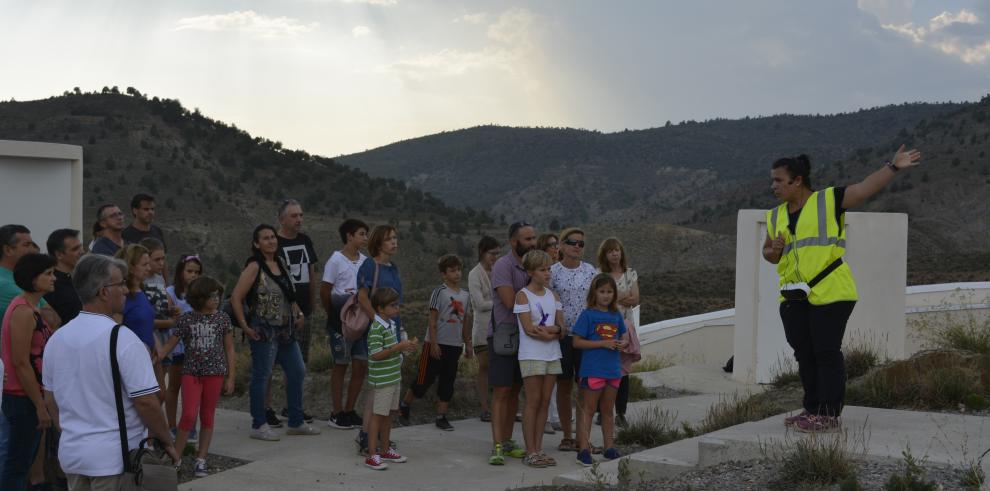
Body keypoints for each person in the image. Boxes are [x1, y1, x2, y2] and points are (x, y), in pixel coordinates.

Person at [762, 146, 922, 432]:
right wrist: (773, 251)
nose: (773, 186)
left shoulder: (828, 200)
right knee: (805, 354)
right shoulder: (776, 216)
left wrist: (893, 167)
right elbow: (769, 253)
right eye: (772, 180)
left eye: (778, 180)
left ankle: (828, 413)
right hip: (793, 296)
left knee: (825, 352)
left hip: (832, 291)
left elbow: (864, 188)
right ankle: (811, 408)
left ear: (797, 180)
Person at [42, 254, 179, 488]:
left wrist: (75, 435)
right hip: (115, 461)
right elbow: (146, 402)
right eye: (120, 284)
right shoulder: (123, 339)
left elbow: (51, 400)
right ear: (103, 291)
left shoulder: (57, 339)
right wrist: (167, 441)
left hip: (73, 456)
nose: (125, 290)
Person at [230, 224, 319, 441]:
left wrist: (298, 314)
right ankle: (258, 424)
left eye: (272, 237)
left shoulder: (281, 262)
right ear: (256, 243)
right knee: (262, 375)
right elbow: (236, 297)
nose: (271, 241)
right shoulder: (254, 266)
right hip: (264, 328)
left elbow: (290, 295)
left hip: (286, 329)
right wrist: (245, 326)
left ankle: (296, 421)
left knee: (297, 370)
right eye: (265, 238)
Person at [157, 276, 235, 478]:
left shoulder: (222, 319)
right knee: (189, 414)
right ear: (199, 298)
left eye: (217, 295)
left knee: (207, 415)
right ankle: (176, 457)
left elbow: (229, 348)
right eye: (211, 296)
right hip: (191, 372)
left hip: (215, 373)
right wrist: (155, 357)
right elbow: (170, 344)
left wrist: (231, 376)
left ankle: (201, 459)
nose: (216, 299)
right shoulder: (186, 319)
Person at [0, 225, 59, 482]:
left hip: (30, 395)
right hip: (22, 397)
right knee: (17, 465)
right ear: (34, 279)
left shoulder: (31, 309)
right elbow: (21, 362)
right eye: (48, 274)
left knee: (22, 463)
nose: (54, 278)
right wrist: (40, 404)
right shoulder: (23, 311)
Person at [400, 254, 472, 431]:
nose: (456, 274)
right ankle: (404, 405)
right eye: (452, 270)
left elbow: (465, 321)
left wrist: (467, 343)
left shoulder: (465, 295)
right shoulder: (439, 292)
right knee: (424, 379)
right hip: (435, 343)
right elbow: (432, 320)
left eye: (458, 270)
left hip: (454, 346)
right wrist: (433, 343)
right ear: (444, 274)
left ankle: (441, 416)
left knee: (448, 381)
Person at [487, 221, 536, 465]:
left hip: (527, 337)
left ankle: (507, 442)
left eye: (533, 238)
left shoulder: (533, 267)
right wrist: (534, 285)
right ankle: (496, 445)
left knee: (516, 390)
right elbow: (509, 302)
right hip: (503, 336)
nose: (532, 243)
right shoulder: (502, 266)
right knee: (502, 391)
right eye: (527, 239)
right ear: (513, 241)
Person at [355, 225, 404, 454]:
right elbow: (362, 296)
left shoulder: (393, 267)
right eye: (389, 239)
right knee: (377, 389)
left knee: (387, 388)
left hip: (393, 331)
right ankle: (367, 437)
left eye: (395, 238)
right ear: (379, 243)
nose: (394, 242)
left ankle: (378, 439)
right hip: (379, 333)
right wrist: (379, 321)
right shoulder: (369, 265)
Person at [513, 250, 563, 468]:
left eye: (549, 268)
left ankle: (539, 448)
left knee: (544, 401)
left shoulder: (554, 296)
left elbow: (563, 328)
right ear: (531, 271)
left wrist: (551, 330)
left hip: (552, 354)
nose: (548, 273)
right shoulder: (523, 295)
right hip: (531, 355)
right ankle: (530, 451)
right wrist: (552, 332)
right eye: (543, 269)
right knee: (532, 402)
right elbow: (528, 328)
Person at [549, 227, 597, 452]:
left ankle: (583, 437)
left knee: (586, 388)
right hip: (562, 337)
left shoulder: (590, 271)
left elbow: (598, 301)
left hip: (585, 337)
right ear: (561, 245)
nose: (577, 246)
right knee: (564, 386)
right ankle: (567, 435)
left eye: (581, 243)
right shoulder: (552, 272)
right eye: (572, 242)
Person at [572, 273, 627, 466]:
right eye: (602, 291)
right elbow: (577, 342)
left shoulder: (616, 315)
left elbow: (625, 335)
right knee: (588, 410)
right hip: (593, 370)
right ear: (594, 293)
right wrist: (603, 343)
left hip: (613, 371)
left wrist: (623, 343)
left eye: (609, 291)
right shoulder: (588, 315)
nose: (606, 295)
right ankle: (584, 450)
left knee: (607, 410)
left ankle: (608, 447)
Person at [321, 218, 369, 430]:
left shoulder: (365, 261)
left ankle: (350, 410)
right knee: (341, 364)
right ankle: (336, 412)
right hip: (340, 320)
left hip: (361, 320)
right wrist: (333, 313)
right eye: (361, 234)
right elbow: (325, 290)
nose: (365, 238)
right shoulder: (335, 260)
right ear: (349, 236)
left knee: (360, 364)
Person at [363, 288, 417, 470]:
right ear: (380, 309)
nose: (397, 308)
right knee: (377, 416)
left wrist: (404, 347)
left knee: (388, 415)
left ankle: (385, 450)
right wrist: (398, 348)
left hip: (394, 377)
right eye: (393, 305)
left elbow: (392, 347)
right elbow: (376, 355)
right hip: (382, 381)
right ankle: (372, 454)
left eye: (397, 304)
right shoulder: (376, 328)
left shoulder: (391, 324)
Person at [596, 237, 640, 427]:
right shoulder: (598, 274)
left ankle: (620, 412)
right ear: (604, 255)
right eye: (610, 251)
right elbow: (597, 299)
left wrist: (612, 297)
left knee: (622, 371)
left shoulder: (630, 274)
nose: (614, 253)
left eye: (617, 250)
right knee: (603, 368)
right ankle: (601, 411)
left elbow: (635, 299)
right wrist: (623, 296)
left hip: (625, 328)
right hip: (604, 327)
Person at [275, 199, 318, 365]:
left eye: (301, 215)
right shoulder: (274, 243)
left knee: (301, 361)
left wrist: (312, 304)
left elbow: (311, 273)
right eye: (294, 216)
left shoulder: (305, 240)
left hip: (305, 311)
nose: (299, 219)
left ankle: (295, 391)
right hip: (283, 313)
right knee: (282, 362)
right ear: (282, 219)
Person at [164, 254, 202, 438]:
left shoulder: (201, 295)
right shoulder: (171, 292)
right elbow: (169, 314)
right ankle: (171, 425)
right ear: (180, 272)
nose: (193, 275)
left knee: (193, 389)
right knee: (174, 387)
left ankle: (190, 427)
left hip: (196, 348)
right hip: (177, 347)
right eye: (189, 271)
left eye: (196, 272)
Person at [468, 236, 499, 423]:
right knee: (485, 367)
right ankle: (485, 407)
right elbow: (479, 304)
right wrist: (501, 302)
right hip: (482, 327)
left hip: (500, 327)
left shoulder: (498, 271)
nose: (495, 257)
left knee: (500, 369)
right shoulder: (474, 274)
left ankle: (498, 406)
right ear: (482, 252)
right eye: (492, 253)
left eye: (497, 253)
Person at [537, 232, 561, 434]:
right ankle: (542, 417)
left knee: (553, 375)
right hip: (541, 327)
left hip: (556, 328)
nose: (556, 248)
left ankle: (553, 415)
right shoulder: (541, 272)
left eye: (557, 244)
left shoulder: (559, 270)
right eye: (552, 245)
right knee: (540, 376)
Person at [44, 228, 84, 324]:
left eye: (80, 247)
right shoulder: (50, 285)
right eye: (75, 249)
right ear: (59, 254)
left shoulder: (83, 277)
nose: (82, 251)